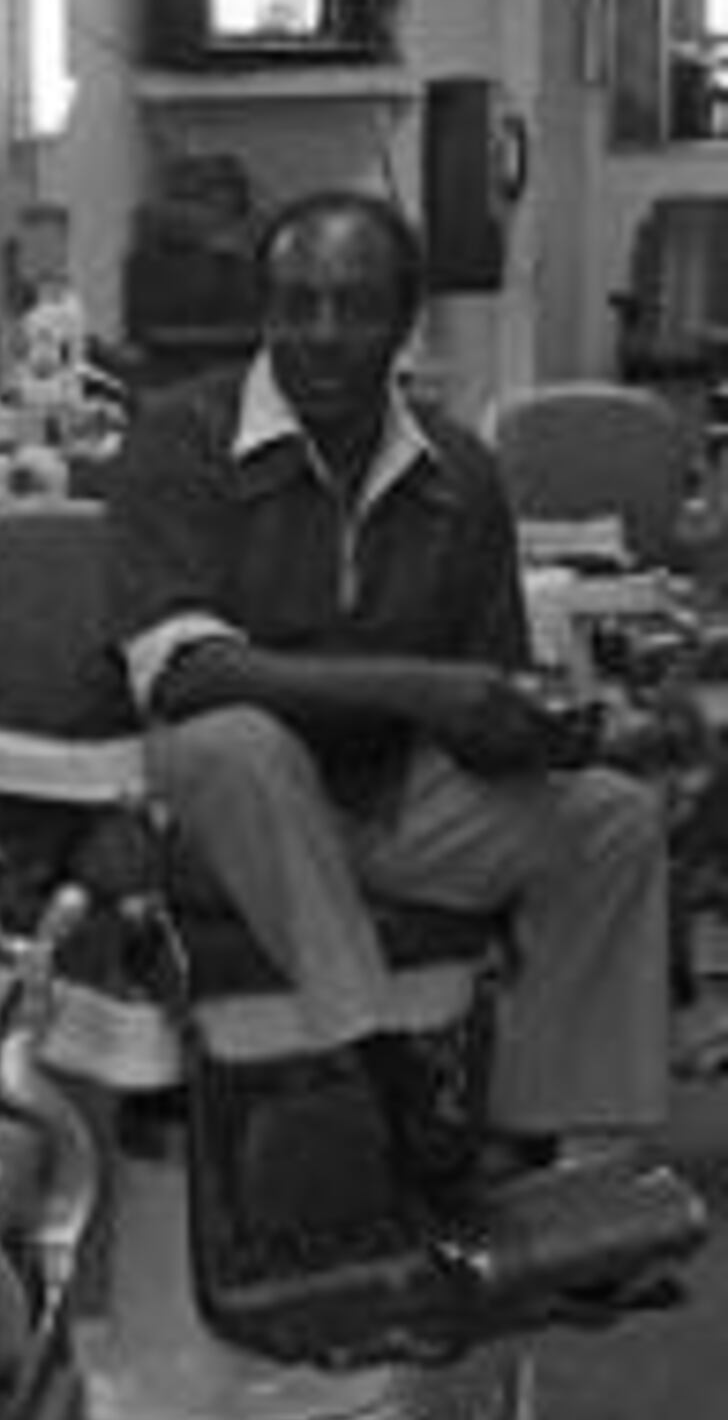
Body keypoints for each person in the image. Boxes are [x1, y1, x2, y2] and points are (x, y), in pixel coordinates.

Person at [106, 188, 671, 1209]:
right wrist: (419, 688)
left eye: (352, 306)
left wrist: (562, 732)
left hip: (385, 797)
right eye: (296, 304)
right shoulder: (181, 439)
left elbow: (486, 692)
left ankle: (533, 1144)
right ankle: (379, 1071)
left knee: (612, 823)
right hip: (215, 818)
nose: (319, 335)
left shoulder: (460, 471)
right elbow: (184, 671)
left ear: (403, 321)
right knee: (235, 738)